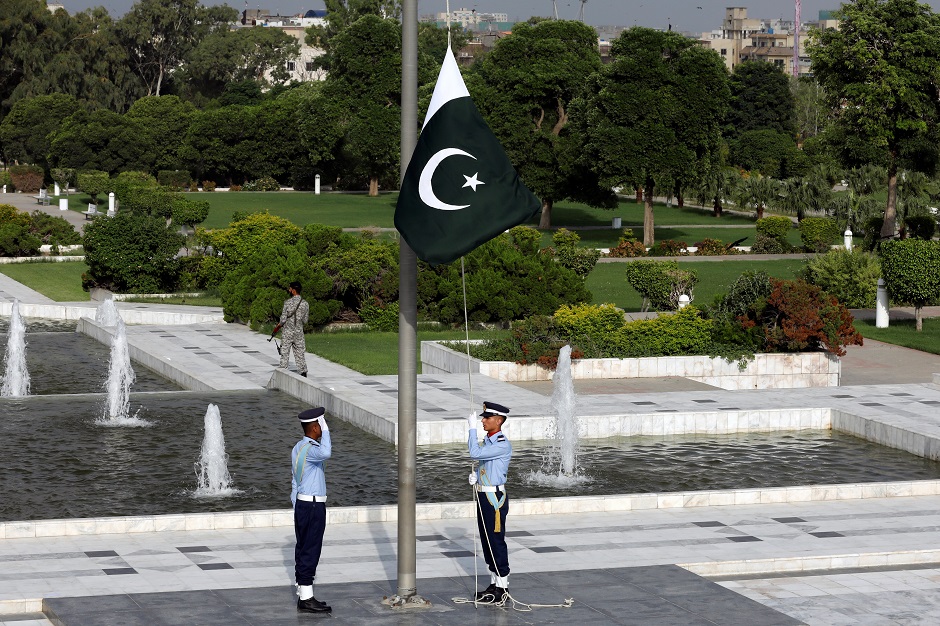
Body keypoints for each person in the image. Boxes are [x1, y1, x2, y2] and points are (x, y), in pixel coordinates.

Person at [467, 401, 513, 604]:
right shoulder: (489, 440)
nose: (483, 421)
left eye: (487, 418)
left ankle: (503, 587)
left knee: (495, 541)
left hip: (494, 499)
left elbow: (474, 454)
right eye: (483, 418)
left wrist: (471, 429)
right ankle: (494, 583)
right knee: (487, 542)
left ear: (499, 420)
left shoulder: (501, 443)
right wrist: (477, 475)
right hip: (483, 495)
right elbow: (486, 465)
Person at [291, 407, 332, 613]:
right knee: (311, 549)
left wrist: (296, 505)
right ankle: (306, 599)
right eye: (321, 427)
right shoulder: (313, 450)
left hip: (302, 503)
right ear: (315, 427)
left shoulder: (298, 447)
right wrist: (327, 431)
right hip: (313, 505)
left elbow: (294, 480)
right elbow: (326, 452)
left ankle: (303, 592)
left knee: (303, 547)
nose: (322, 430)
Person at [273, 281, 309, 377]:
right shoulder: (305, 304)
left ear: (293, 290)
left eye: (290, 288)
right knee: (300, 355)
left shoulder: (287, 303)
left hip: (287, 333)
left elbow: (283, 320)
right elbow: (305, 320)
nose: (289, 290)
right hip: (299, 333)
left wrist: (276, 328)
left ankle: (283, 375)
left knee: (284, 355)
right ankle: (303, 374)